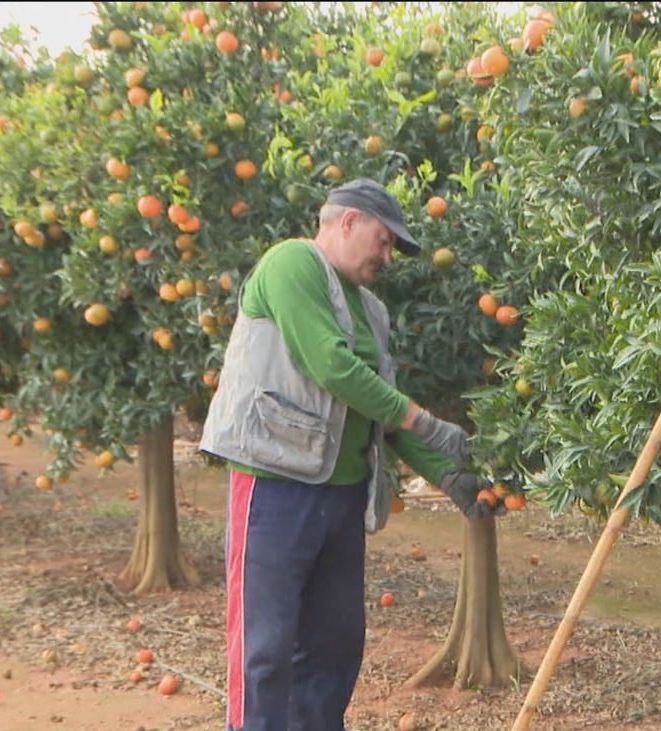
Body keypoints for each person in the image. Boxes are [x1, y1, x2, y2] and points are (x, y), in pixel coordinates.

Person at [199, 178, 496, 731]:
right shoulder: (292, 264)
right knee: (263, 647)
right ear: (348, 221)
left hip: (340, 498)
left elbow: (374, 410)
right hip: (274, 487)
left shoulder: (371, 311)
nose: (387, 257)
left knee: (334, 646)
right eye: (384, 241)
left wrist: (449, 474)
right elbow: (331, 367)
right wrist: (426, 420)